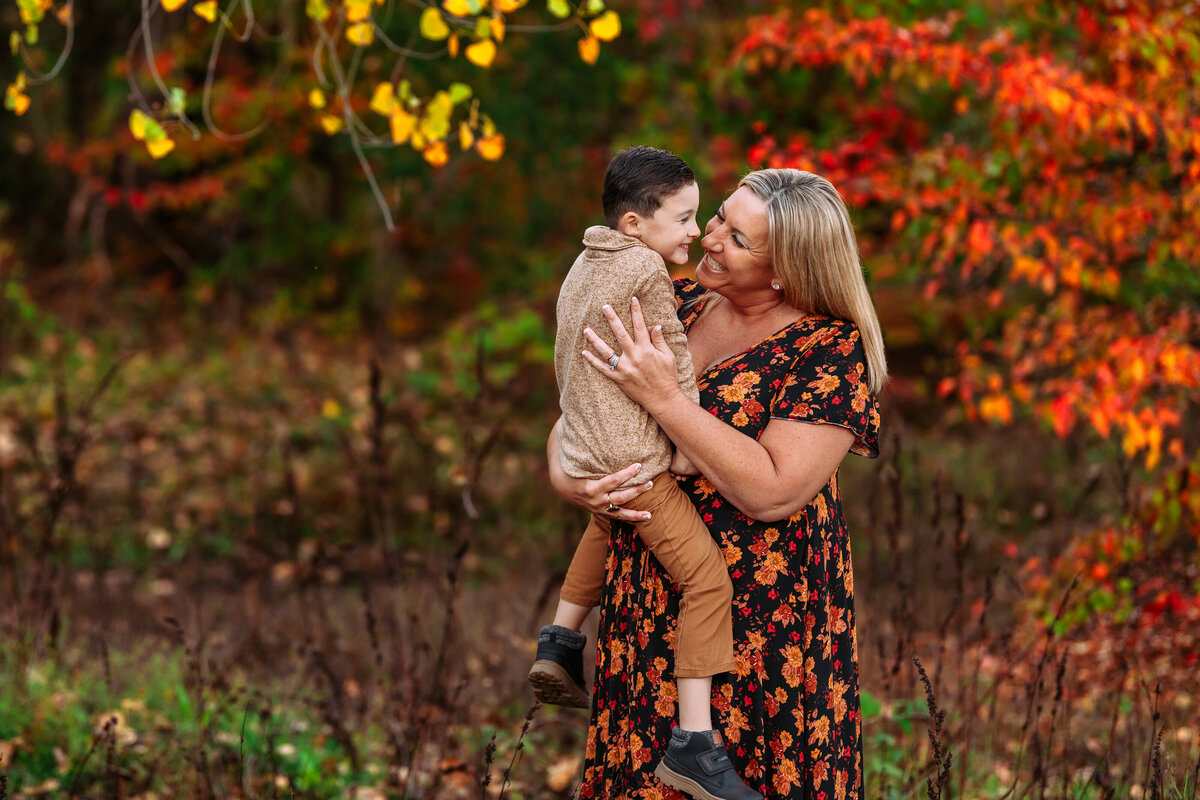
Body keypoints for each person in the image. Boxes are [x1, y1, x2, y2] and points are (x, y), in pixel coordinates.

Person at [548, 168, 886, 799]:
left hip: (764, 631)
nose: (709, 237)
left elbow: (776, 489)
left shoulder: (829, 351)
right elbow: (579, 409)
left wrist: (667, 401)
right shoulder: (672, 301)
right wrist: (570, 480)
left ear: (787, 268)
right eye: (718, 217)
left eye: (737, 237)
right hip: (644, 614)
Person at [530, 146, 762, 800]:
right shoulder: (647, 272)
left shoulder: (586, 262)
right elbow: (673, 360)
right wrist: (685, 437)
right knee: (707, 581)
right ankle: (694, 743)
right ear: (636, 225)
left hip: (588, 443)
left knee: (607, 525)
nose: (696, 232)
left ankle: (559, 640)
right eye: (685, 218)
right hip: (633, 456)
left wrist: (572, 442)